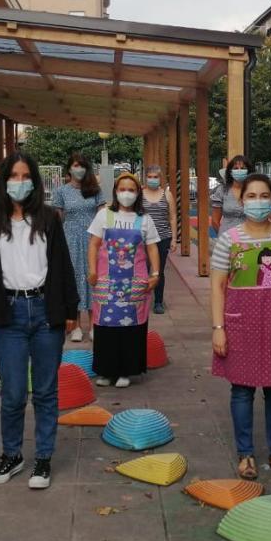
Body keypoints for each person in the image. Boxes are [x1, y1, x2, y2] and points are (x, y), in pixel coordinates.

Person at [0, 151, 79, 489]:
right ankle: (12, 455)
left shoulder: (48, 218)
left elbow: (62, 266)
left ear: (34, 180)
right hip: (9, 314)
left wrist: (71, 311)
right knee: (14, 392)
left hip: (46, 311)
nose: (19, 182)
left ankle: (43, 459)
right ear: (3, 181)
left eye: (25, 176)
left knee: (46, 391)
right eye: (13, 176)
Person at [211, 173, 271, 480]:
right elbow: (217, 287)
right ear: (242, 202)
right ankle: (245, 455)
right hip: (240, 324)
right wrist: (218, 327)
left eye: (264, 195)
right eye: (251, 196)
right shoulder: (229, 239)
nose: (258, 202)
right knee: (241, 392)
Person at [87, 172, 161, 387]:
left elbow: (152, 246)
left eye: (131, 189)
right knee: (105, 327)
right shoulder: (104, 215)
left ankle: (126, 371)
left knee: (131, 328)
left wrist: (155, 273)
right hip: (106, 281)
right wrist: (92, 270)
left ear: (137, 193)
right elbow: (93, 244)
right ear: (115, 192)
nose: (126, 193)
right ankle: (106, 371)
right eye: (122, 189)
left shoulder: (144, 219)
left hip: (135, 282)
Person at [51, 151, 104, 339]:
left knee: (92, 277)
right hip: (70, 239)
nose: (79, 169)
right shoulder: (61, 191)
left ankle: (94, 324)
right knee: (73, 280)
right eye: (75, 165)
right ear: (69, 169)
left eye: (82, 165)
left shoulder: (95, 190)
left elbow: (102, 215)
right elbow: (57, 219)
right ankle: (75, 326)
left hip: (92, 239)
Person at [142, 163, 177, 314]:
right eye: (150, 177)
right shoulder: (139, 194)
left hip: (162, 237)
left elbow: (173, 217)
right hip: (143, 239)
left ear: (160, 178)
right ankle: (141, 300)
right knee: (142, 270)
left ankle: (158, 302)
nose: (152, 180)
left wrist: (174, 239)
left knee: (159, 270)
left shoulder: (167, 195)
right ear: (145, 178)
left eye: (155, 177)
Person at [211, 155, 251, 236]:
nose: (239, 171)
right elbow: (215, 221)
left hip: (249, 237)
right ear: (230, 171)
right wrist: (223, 237)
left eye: (243, 168)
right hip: (227, 237)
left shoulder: (254, 190)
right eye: (236, 168)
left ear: (248, 171)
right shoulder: (222, 190)